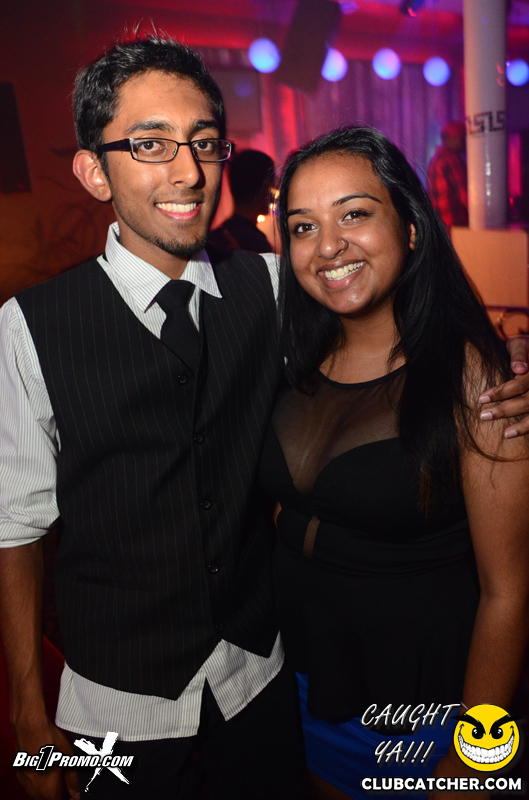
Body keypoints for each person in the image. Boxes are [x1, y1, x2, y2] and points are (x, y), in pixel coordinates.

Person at [0, 35, 306, 800]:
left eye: (204, 142)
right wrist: (30, 716)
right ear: (93, 172)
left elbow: (384, 327)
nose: (188, 171)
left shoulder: (270, 286)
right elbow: (15, 527)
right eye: (150, 144)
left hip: (256, 671)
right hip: (116, 699)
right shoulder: (28, 326)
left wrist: (484, 364)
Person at [258, 126, 529, 799]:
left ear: (410, 228)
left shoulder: (470, 376)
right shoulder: (290, 358)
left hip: (427, 711)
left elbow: (509, 591)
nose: (327, 246)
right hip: (306, 681)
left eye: (353, 214)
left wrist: (475, 755)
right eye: (303, 226)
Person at [208, 149, 276, 252]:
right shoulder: (257, 244)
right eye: (273, 186)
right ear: (265, 188)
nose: (273, 194)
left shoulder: (215, 237)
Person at [427, 120, 468, 230]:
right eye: (461, 136)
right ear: (451, 138)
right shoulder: (452, 159)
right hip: (456, 224)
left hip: (441, 224)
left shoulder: (436, 159)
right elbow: (465, 195)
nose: (465, 141)